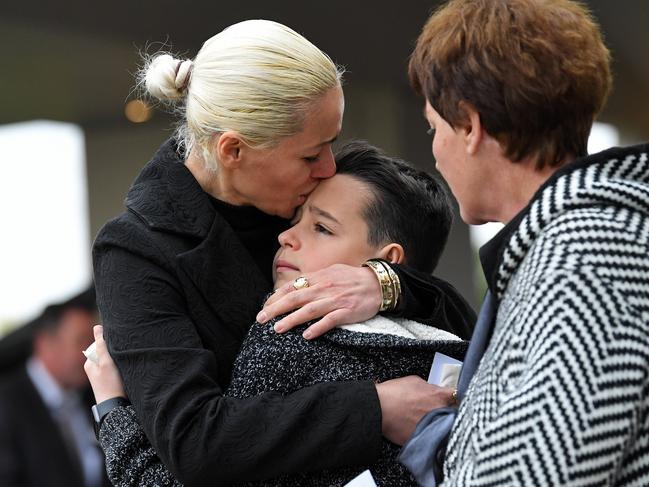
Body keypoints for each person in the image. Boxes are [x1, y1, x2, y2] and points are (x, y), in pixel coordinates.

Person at [92, 20, 475, 486]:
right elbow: (194, 442)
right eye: (311, 155)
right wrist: (374, 406)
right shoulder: (136, 251)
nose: (330, 168)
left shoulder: (304, 197)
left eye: (332, 142)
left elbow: (463, 338)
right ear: (234, 150)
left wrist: (386, 282)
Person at [399, 0, 649, 485]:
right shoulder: (575, 243)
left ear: (470, 126)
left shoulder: (585, 261)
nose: (434, 149)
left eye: (435, 127)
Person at [0, 288, 111, 487]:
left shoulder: (89, 395)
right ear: (45, 344)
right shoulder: (6, 404)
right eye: (81, 342)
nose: (89, 354)